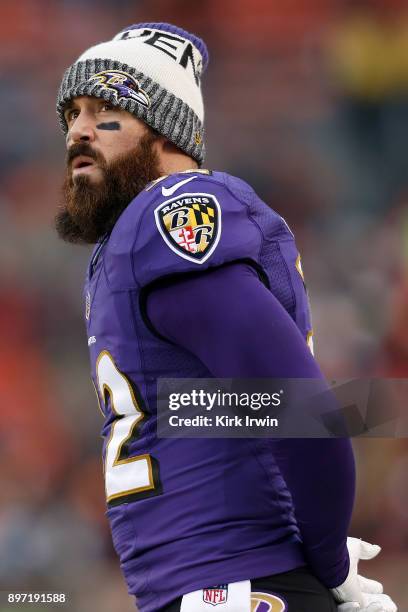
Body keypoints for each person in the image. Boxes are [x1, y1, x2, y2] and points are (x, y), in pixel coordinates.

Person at [55, 22, 397, 612]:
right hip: (216, 583)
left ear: (164, 130)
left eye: (106, 109)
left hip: (233, 587)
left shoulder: (166, 219)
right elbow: (227, 406)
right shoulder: (123, 248)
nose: (79, 130)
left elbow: (299, 409)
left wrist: (330, 563)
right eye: (72, 114)